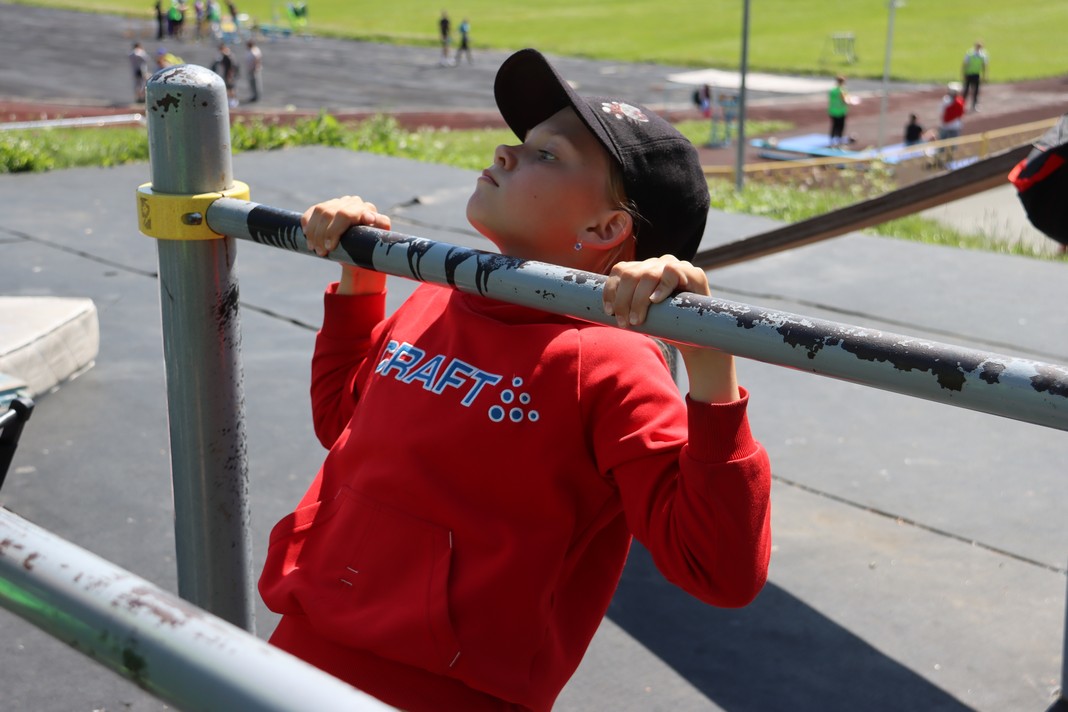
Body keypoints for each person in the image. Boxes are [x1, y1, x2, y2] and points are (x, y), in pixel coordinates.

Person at [259, 47, 772, 712]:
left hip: (441, 692)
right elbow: (341, 423)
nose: (505, 153)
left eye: (546, 154)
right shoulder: (440, 293)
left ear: (605, 227)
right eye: (523, 143)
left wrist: (710, 362)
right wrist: (361, 272)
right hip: (300, 646)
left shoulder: (608, 362)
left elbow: (719, 570)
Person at [961, 41, 988, 112]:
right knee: (966, 91)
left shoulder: (983, 55)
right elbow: (964, 64)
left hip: (976, 74)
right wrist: (963, 74)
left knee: (976, 90)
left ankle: (974, 105)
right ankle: (962, 105)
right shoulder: (969, 54)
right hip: (969, 74)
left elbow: (984, 66)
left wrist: (984, 75)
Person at [212, 42, 238, 107]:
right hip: (227, 73)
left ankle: (233, 100)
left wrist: (230, 74)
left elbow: (231, 66)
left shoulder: (228, 55)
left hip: (229, 74)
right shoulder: (226, 55)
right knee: (228, 87)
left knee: (230, 87)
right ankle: (231, 100)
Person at [827, 75, 849, 147]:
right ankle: (839, 141)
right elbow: (845, 100)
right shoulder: (842, 91)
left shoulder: (832, 90)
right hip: (841, 111)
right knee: (840, 126)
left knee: (834, 126)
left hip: (833, 110)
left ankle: (831, 141)